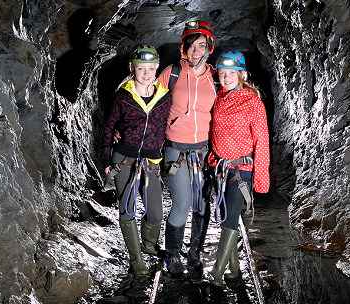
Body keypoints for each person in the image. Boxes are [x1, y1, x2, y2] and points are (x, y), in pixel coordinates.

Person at [102, 44, 172, 278]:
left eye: (150, 69)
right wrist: (105, 159)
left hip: (151, 160)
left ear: (156, 69)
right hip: (124, 158)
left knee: (155, 212)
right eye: (141, 68)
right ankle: (137, 260)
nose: (146, 73)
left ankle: (148, 245)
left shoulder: (165, 97)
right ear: (132, 68)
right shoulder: (123, 96)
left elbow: (172, 124)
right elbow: (109, 126)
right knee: (127, 208)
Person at [157, 20, 217, 281]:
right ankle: (172, 254)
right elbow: (150, 104)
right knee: (181, 204)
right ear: (184, 48)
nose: (196, 51)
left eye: (201, 46)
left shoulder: (216, 78)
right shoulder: (170, 74)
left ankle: (194, 252)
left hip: (204, 151)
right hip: (175, 149)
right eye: (191, 46)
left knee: (202, 204)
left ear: (209, 48)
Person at [207, 50, 270, 289]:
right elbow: (215, 131)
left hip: (241, 170)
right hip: (221, 169)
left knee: (231, 219)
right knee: (227, 218)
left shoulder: (252, 101)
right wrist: (213, 157)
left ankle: (215, 274)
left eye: (231, 73)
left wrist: (261, 179)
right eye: (222, 74)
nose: (226, 78)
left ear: (241, 74)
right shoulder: (219, 97)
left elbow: (262, 141)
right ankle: (233, 272)